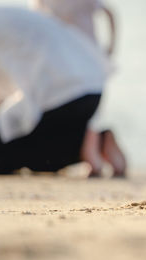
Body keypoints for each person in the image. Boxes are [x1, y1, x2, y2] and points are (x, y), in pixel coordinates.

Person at [0, 7, 108, 174]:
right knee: (37, 154)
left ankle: (85, 144)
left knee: (7, 158)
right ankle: (96, 142)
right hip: (92, 87)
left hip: (63, 95)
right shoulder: (7, 13)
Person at [30, 0, 127, 177]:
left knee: (83, 112)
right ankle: (100, 146)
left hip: (70, 60)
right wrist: (110, 48)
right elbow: (109, 13)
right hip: (83, 58)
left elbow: (38, 26)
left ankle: (93, 159)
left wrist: (110, 48)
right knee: (90, 112)